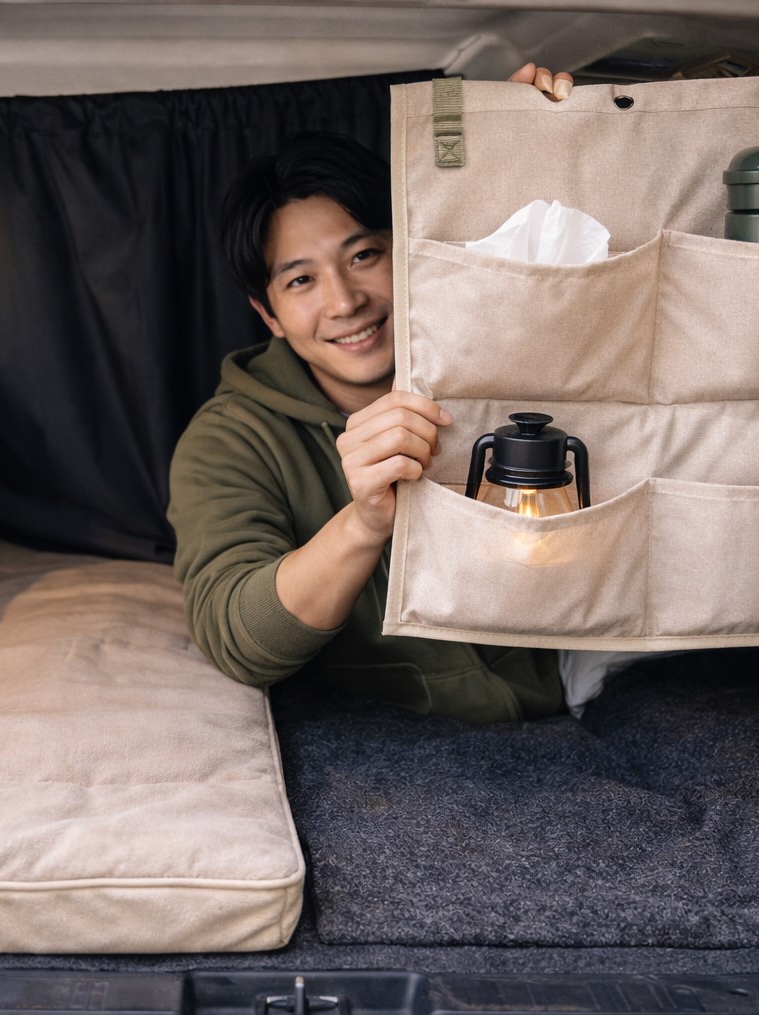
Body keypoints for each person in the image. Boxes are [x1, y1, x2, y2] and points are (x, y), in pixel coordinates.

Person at [166, 67, 576, 724]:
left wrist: (529, 136)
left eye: (364, 256)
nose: (345, 301)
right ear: (267, 314)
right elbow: (238, 640)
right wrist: (364, 523)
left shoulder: (500, 337)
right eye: (300, 281)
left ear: (407, 250)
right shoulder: (228, 440)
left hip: (593, 680)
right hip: (393, 735)